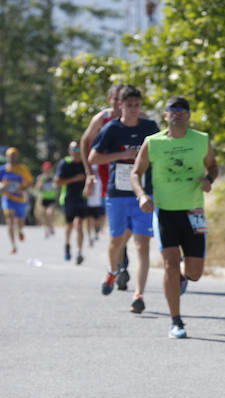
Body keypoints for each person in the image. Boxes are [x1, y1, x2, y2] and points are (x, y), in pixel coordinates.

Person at [131, 96, 218, 338]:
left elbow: (213, 166)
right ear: (166, 115)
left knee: (195, 273)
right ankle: (176, 321)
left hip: (194, 212)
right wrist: (141, 196)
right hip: (164, 211)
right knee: (169, 262)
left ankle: (183, 276)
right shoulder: (153, 142)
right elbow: (136, 173)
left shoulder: (201, 140)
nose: (177, 114)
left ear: (188, 115)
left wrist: (209, 180)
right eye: (173, 111)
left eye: (182, 111)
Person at [89, 84, 159, 313]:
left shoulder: (150, 127)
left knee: (142, 245)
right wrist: (122, 155)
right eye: (129, 105)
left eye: (137, 105)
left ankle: (138, 294)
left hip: (143, 194)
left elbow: (160, 155)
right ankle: (112, 271)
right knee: (116, 241)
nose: (133, 109)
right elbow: (93, 157)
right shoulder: (111, 129)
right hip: (117, 194)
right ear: (120, 105)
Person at [81, 83, 127, 286]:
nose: (120, 103)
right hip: (107, 176)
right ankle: (120, 264)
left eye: (123, 99)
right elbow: (85, 142)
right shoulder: (102, 119)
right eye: (116, 99)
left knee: (127, 224)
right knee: (117, 224)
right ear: (110, 100)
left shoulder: (137, 117)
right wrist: (89, 174)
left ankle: (120, 262)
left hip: (131, 176)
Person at [55, 142, 88, 264]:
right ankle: (67, 245)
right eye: (73, 148)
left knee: (79, 224)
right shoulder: (65, 163)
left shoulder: (85, 163)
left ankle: (79, 252)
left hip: (82, 199)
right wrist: (74, 179)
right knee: (69, 226)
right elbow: (57, 182)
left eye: (78, 148)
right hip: (68, 198)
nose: (76, 150)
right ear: (69, 150)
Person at [0, 147, 33, 254]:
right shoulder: (2, 169)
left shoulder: (22, 168)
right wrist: (1, 186)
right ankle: (13, 245)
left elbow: (30, 181)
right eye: (10, 155)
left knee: (20, 223)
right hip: (8, 198)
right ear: (6, 156)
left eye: (14, 155)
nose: (12, 157)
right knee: (10, 221)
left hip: (20, 199)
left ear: (17, 156)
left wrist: (22, 188)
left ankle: (20, 230)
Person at [34, 161, 58, 238]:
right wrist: (40, 183)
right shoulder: (41, 177)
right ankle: (47, 229)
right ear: (43, 169)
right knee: (44, 216)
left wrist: (55, 186)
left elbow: (57, 187)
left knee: (49, 213)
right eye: (46, 168)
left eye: (49, 168)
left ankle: (51, 226)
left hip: (52, 198)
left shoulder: (54, 177)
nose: (48, 170)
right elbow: (37, 188)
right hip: (43, 198)